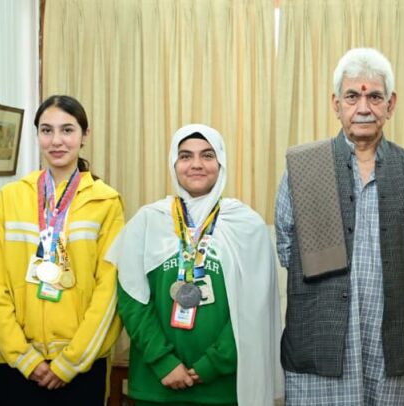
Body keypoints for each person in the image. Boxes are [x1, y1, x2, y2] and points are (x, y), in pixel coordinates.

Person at [275, 47, 404, 405]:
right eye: (352, 97)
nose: (364, 108)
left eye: (374, 97)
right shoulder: (305, 167)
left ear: (390, 105)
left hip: (390, 348)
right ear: (336, 104)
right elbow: (286, 247)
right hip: (320, 343)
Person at [107, 124, 280, 405]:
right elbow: (132, 300)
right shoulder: (148, 221)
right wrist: (163, 361)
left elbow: (256, 307)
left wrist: (214, 363)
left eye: (207, 155)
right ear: (173, 164)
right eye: (185, 156)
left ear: (221, 163)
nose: (196, 164)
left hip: (224, 388)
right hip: (156, 385)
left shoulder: (248, 225)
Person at [0, 95, 125, 404]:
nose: (56, 140)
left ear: (85, 135)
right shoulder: (10, 198)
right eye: (47, 130)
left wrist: (70, 362)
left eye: (67, 130)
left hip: (82, 365)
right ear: (37, 135)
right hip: (19, 365)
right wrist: (23, 357)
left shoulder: (105, 201)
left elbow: (110, 288)